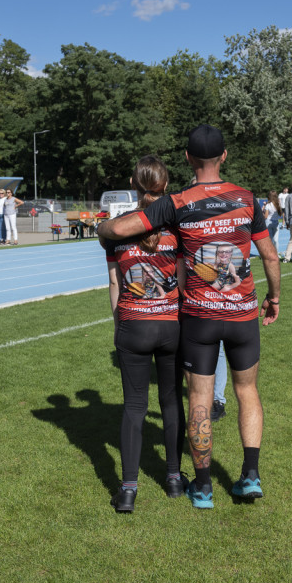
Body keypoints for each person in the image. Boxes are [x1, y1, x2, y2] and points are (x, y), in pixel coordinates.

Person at [98, 124, 281, 510]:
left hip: (198, 316)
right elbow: (269, 256)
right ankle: (249, 475)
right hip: (242, 313)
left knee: (197, 395)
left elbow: (120, 228)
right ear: (225, 156)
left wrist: (102, 227)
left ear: (187, 159)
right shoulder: (247, 198)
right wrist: (274, 297)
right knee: (246, 391)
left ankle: (201, 487)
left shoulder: (178, 202)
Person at [100, 154, 186, 513]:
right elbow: (181, 281)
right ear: (165, 187)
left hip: (133, 325)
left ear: (133, 188)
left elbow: (114, 284)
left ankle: (128, 490)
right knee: (170, 402)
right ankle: (173, 479)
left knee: (134, 407)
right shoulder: (178, 228)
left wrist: (120, 325)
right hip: (170, 326)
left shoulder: (116, 230)